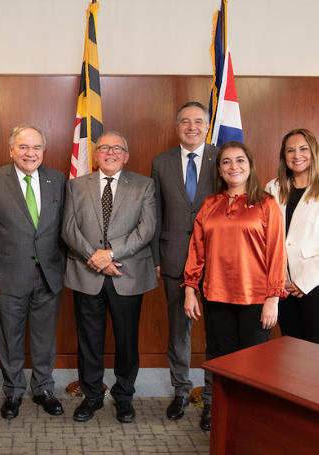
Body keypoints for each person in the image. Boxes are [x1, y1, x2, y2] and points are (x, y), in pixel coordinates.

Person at [62, 131, 157, 423]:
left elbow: (146, 229)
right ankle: (92, 396)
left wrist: (111, 254)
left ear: (126, 155)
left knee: (127, 340)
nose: (110, 152)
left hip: (127, 274)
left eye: (117, 148)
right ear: (95, 154)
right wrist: (96, 258)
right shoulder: (76, 185)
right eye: (104, 148)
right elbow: (68, 229)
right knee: (89, 340)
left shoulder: (144, 185)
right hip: (86, 273)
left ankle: (124, 395)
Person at [0, 124, 66, 419]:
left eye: (37, 147)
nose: (31, 153)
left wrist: (64, 269)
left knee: (44, 338)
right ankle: (13, 391)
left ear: (43, 151)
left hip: (49, 276)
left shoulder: (57, 179)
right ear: (11, 149)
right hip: (8, 276)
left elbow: (65, 229)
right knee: (10, 337)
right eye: (24, 147)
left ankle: (43, 389)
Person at [184, 141, 286, 362]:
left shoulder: (267, 204)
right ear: (219, 170)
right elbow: (196, 250)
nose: (233, 166)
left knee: (254, 363)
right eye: (226, 162)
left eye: (240, 160)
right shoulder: (209, 204)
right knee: (224, 361)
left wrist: (273, 298)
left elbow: (277, 253)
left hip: (255, 297)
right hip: (216, 296)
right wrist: (190, 290)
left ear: (250, 165)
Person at [150, 101, 217, 430]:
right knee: (179, 331)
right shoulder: (160, 162)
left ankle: (212, 401)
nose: (192, 126)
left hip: (218, 261)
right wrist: (156, 259)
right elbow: (156, 213)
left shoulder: (223, 158)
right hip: (174, 257)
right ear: (177, 127)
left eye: (198, 121)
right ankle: (180, 391)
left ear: (207, 125)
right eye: (185, 122)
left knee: (217, 333)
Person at [265, 129, 319, 343]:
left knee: (314, 348)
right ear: (284, 156)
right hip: (282, 283)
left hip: (313, 282)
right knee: (291, 346)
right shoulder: (273, 187)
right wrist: (278, 280)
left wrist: (304, 282)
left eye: (303, 149)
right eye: (290, 150)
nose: (297, 155)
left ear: (313, 152)